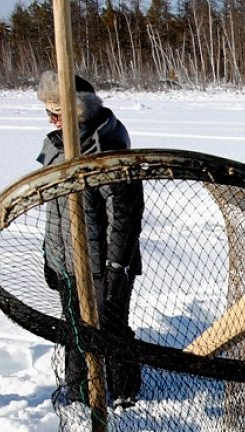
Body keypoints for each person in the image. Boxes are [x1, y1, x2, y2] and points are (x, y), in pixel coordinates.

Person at [37, 70, 143, 407]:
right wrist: (50, 256)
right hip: (67, 259)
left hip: (103, 262)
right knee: (75, 329)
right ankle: (79, 394)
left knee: (110, 329)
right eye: (48, 111)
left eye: (58, 111)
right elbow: (57, 211)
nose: (51, 119)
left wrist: (115, 266)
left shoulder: (106, 148)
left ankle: (124, 393)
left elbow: (124, 216)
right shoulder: (56, 146)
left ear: (77, 111)